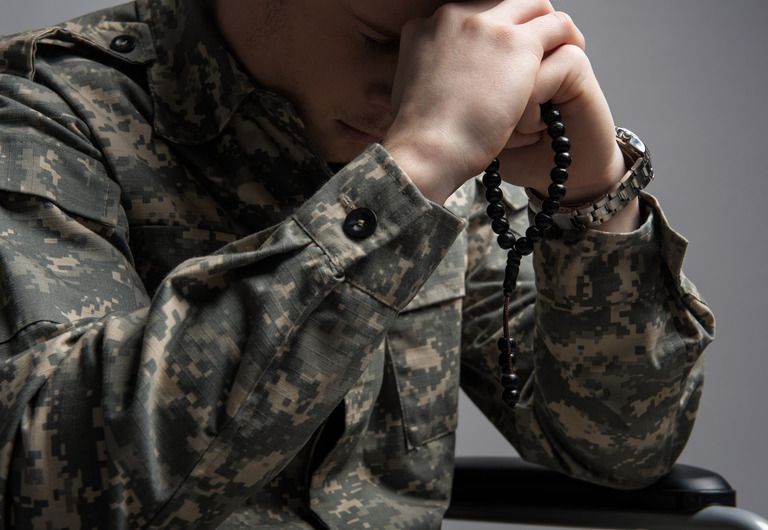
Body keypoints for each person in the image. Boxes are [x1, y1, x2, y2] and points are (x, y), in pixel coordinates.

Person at [0, 0, 714, 528]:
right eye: (382, 40)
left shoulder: (450, 166)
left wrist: (593, 199)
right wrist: (413, 171)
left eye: (449, 49)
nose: (414, 86)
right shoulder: (42, 108)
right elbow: (49, 485)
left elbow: (620, 447)